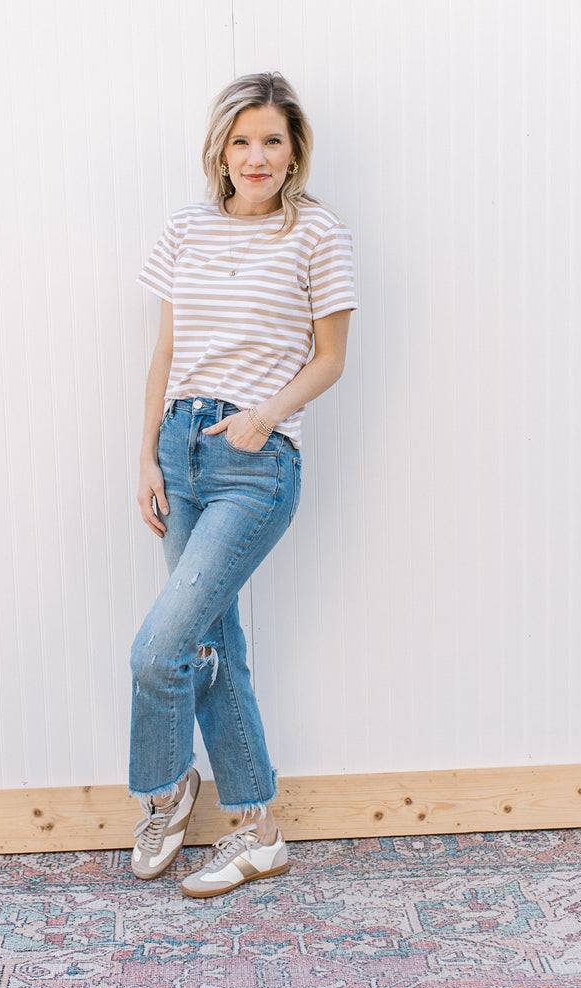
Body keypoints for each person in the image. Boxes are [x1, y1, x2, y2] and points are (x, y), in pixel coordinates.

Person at [129, 71, 357, 898]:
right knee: (211, 647)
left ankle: (162, 790)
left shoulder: (318, 233)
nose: (256, 156)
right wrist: (146, 456)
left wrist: (264, 416)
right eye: (241, 141)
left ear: (293, 149)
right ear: (219, 153)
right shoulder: (187, 227)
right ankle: (258, 830)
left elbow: (330, 359)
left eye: (271, 140)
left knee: (157, 650)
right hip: (180, 449)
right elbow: (163, 351)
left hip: (256, 461)